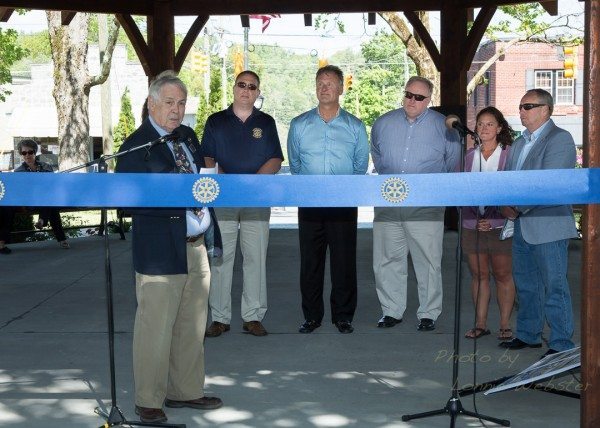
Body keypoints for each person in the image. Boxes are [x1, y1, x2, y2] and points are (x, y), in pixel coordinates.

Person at [115, 70, 223, 424]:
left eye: (181, 103)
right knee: (156, 326)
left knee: (192, 324)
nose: (176, 111)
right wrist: (176, 193)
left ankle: (185, 390)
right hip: (160, 248)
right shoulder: (135, 146)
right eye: (169, 103)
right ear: (151, 103)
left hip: (196, 246)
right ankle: (148, 399)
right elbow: (128, 204)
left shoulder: (188, 137)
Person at [371, 76, 460, 331]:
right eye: (408, 94)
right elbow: (377, 156)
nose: (412, 100)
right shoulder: (383, 123)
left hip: (426, 206)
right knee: (387, 259)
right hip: (388, 203)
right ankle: (391, 311)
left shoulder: (444, 127)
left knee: (429, 261)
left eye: (419, 97)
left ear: (429, 100)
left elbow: (452, 162)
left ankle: (428, 313)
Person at [288, 65, 369, 334]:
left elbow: (360, 166)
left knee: (344, 262)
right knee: (310, 263)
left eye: (330, 83)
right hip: (309, 204)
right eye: (320, 83)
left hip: (343, 205)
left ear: (341, 89)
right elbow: (296, 164)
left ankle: (343, 316)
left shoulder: (355, 126)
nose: (324, 88)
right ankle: (311, 316)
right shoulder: (299, 125)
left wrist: (344, 192)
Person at [202, 70, 283, 337]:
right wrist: (230, 186)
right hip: (223, 198)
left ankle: (253, 316)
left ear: (258, 92)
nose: (246, 90)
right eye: (241, 85)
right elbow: (208, 159)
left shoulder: (267, 123)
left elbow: (275, 159)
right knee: (221, 259)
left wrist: (251, 187)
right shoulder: (215, 121)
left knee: (255, 258)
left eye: (252, 86)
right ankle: (220, 318)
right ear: (234, 88)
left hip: (256, 200)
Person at [499, 88, 578, 358]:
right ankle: (529, 334)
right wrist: (505, 204)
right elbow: (509, 181)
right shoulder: (520, 143)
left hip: (549, 224)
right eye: (521, 106)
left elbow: (549, 184)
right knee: (526, 283)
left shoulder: (560, 139)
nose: (521, 111)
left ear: (546, 109)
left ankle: (561, 342)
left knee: (554, 284)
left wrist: (516, 207)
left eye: (528, 106)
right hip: (522, 224)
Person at [460, 107, 515, 340]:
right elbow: (461, 192)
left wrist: (493, 219)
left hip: (501, 226)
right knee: (479, 275)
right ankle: (481, 324)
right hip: (472, 225)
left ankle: (504, 324)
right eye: (480, 124)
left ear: (500, 128)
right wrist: (475, 218)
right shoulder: (469, 157)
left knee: (502, 274)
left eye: (490, 124)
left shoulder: (509, 154)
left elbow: (514, 193)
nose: (483, 128)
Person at [14, 139, 69, 249]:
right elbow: (19, 191)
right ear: (21, 154)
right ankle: (61, 238)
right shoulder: (18, 172)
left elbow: (53, 184)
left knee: (49, 201)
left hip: (46, 199)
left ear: (35, 152)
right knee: (50, 204)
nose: (27, 155)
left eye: (30, 152)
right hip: (30, 201)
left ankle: (42, 220)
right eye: (24, 153)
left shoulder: (46, 166)